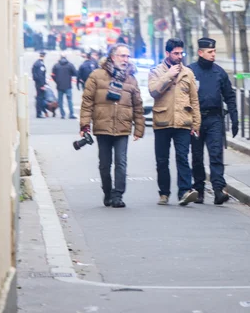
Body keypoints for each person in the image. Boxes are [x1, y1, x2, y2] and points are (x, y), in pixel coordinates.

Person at [79, 45, 145, 208]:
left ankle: (118, 195)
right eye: (122, 56)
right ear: (112, 57)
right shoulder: (96, 75)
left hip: (122, 126)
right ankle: (107, 192)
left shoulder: (131, 79)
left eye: (127, 56)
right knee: (104, 163)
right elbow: (87, 101)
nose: (125, 60)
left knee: (121, 162)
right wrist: (85, 125)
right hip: (103, 125)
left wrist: (139, 128)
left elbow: (138, 105)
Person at [148, 38, 201, 206]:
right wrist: (168, 76)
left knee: (182, 157)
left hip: (183, 122)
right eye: (175, 53)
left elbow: (194, 99)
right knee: (162, 160)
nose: (179, 56)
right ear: (167, 54)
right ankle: (164, 193)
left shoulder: (188, 73)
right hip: (162, 121)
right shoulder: (156, 71)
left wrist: (196, 123)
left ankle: (184, 192)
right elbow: (154, 92)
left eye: (181, 53)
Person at [188, 37, 239, 205]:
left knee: (216, 153)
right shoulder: (190, 72)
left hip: (215, 118)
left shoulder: (219, 72)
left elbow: (229, 96)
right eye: (210, 52)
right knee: (197, 156)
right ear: (200, 52)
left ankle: (218, 189)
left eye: (214, 51)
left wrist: (234, 117)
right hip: (196, 119)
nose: (213, 55)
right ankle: (199, 189)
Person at [51, 53, 77, 119]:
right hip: (68, 85)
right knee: (69, 100)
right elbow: (75, 73)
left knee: (60, 101)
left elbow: (52, 75)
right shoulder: (70, 65)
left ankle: (62, 114)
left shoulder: (56, 65)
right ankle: (71, 114)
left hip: (59, 85)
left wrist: (56, 81)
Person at [32, 51, 47, 118]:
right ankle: (39, 113)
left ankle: (39, 112)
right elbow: (41, 75)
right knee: (40, 98)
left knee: (39, 98)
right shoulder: (40, 64)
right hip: (39, 84)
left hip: (37, 83)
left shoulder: (35, 63)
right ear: (43, 56)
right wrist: (42, 85)